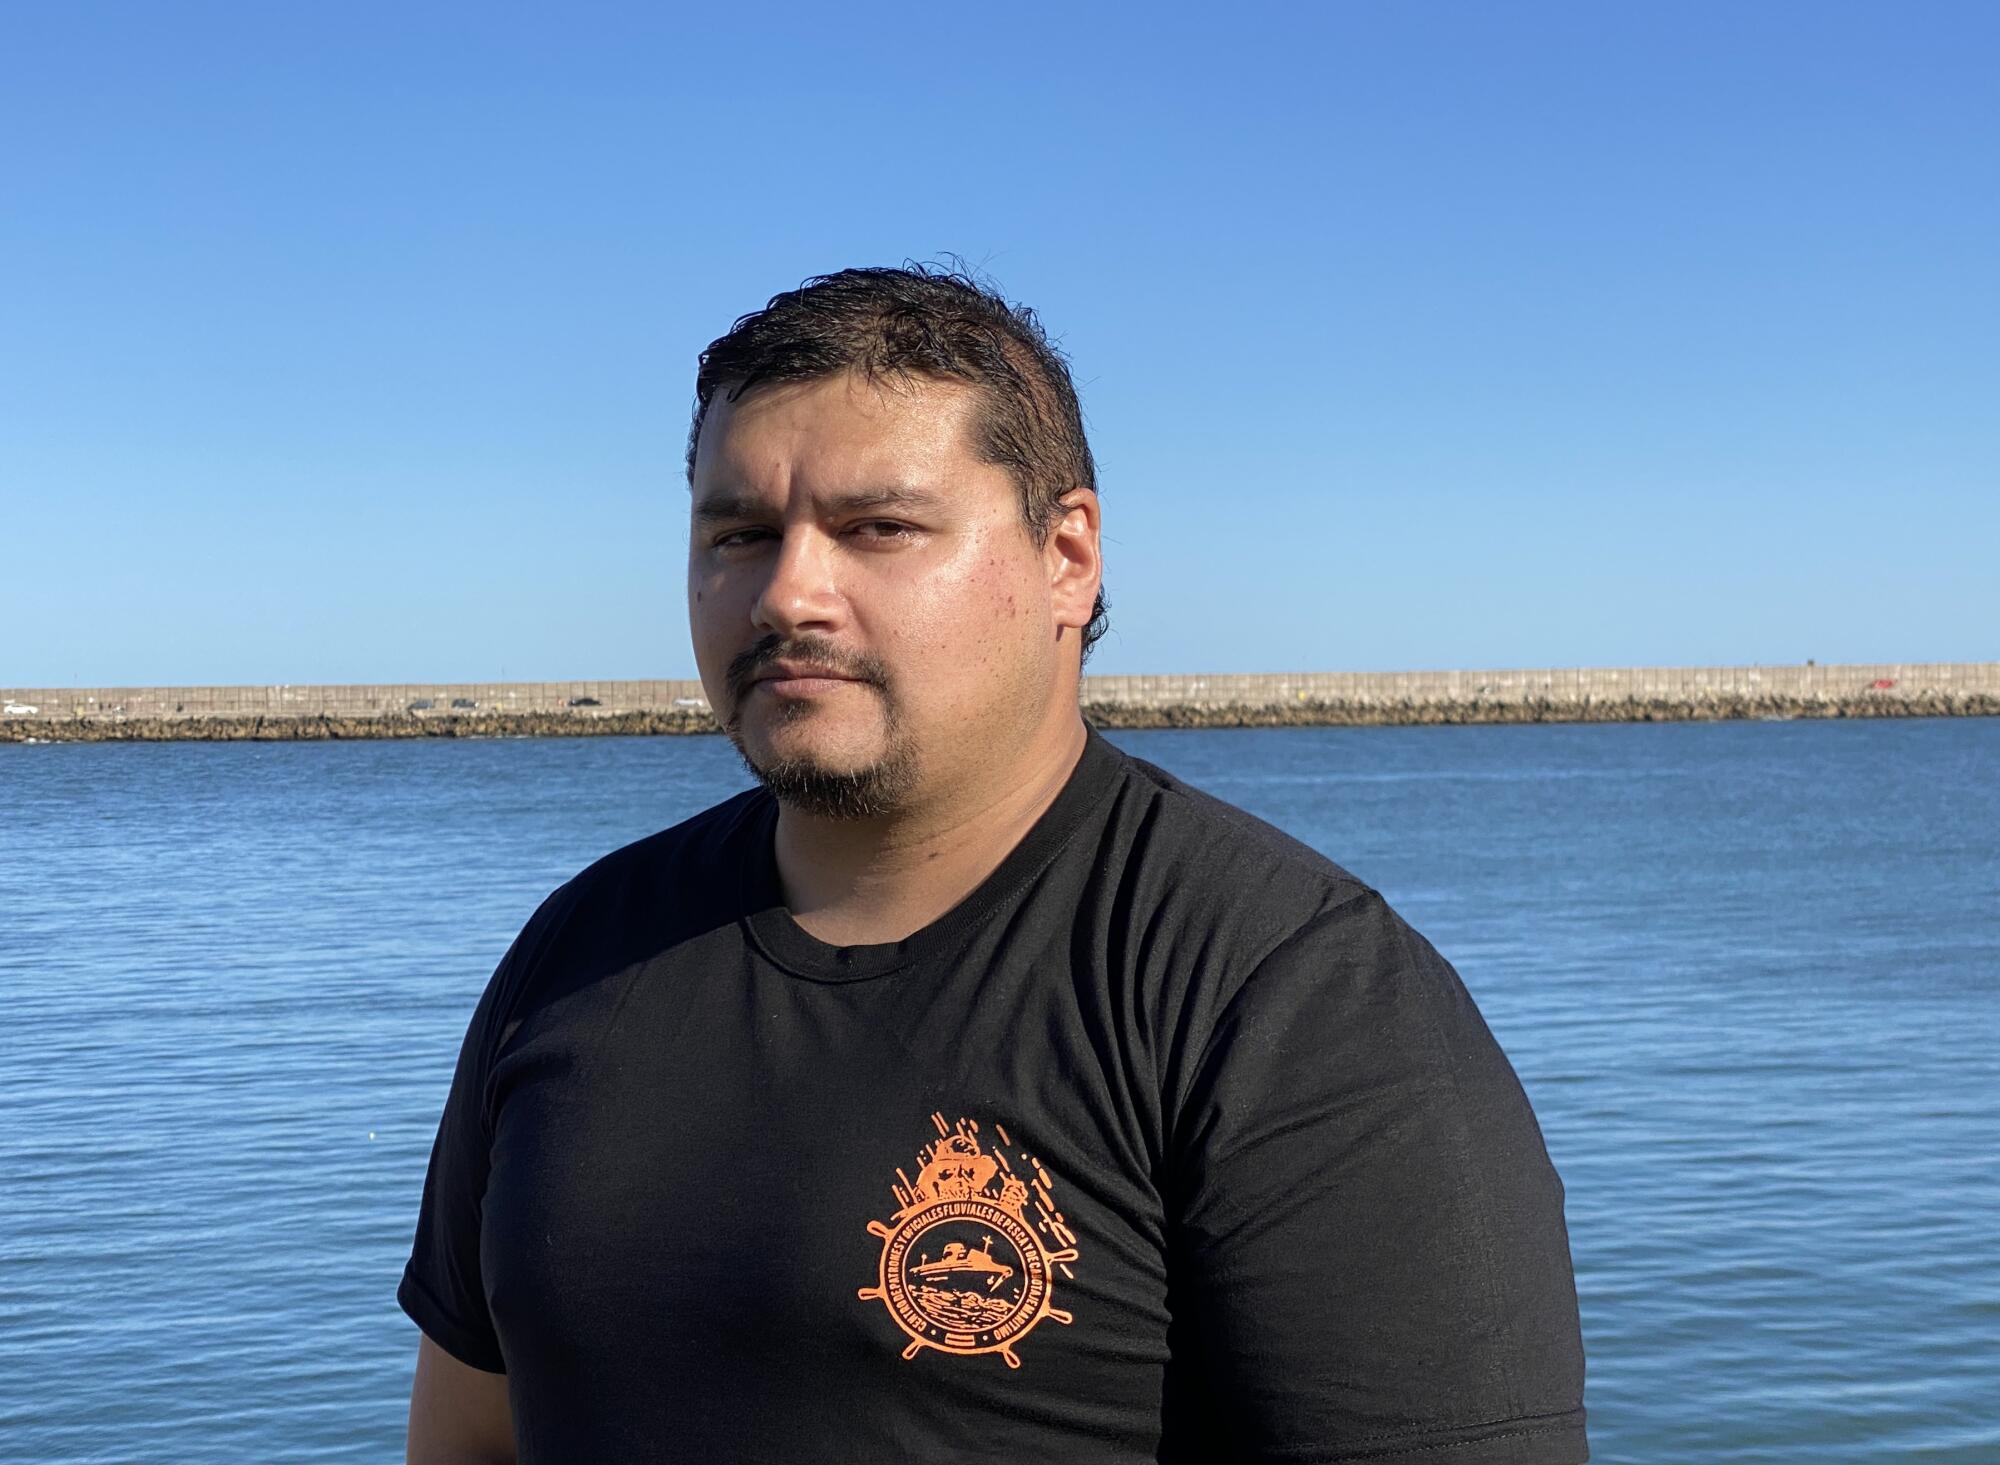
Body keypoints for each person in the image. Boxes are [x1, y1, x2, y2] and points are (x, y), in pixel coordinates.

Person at [400, 265, 1588, 1464]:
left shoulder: (1297, 1003)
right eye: (739, 534)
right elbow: (464, 1436)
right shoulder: (578, 955)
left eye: (879, 528)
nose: (786, 591)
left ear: (1065, 558)